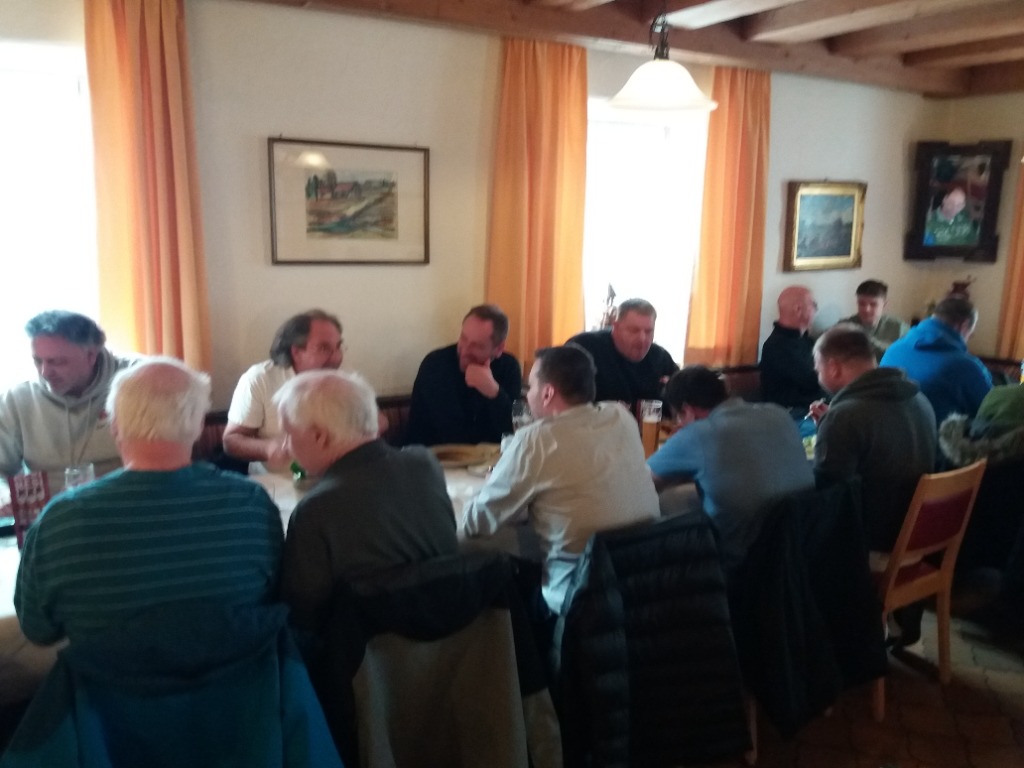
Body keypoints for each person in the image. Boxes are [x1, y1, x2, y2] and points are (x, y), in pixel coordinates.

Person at [14, 358, 283, 645]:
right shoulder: (252, 504)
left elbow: (38, 631)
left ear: (114, 426)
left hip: (111, 674)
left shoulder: (60, 521)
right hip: (240, 671)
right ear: (198, 427)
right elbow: (271, 598)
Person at [464, 344, 659, 615]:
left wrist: (492, 483)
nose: (527, 394)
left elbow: (476, 524)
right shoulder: (621, 416)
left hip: (579, 600)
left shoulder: (535, 441)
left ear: (547, 393)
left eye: (531, 386)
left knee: (496, 583)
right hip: (645, 587)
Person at [275, 370, 458, 633]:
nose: (285, 447)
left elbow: (301, 619)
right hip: (454, 637)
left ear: (319, 436)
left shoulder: (315, 511)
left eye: (288, 435)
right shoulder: (426, 464)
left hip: (367, 653)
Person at [811, 325, 937, 649]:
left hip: (875, 551)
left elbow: (828, 498)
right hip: (919, 542)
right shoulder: (919, 399)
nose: (817, 374)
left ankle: (820, 650)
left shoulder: (846, 416)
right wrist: (830, 427)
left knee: (784, 547)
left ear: (834, 367)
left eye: (818, 367)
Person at [647, 366, 814, 575]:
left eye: (678, 417)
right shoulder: (778, 413)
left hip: (738, 565)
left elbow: (643, 482)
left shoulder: (699, 434)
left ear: (687, 410)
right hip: (801, 554)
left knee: (668, 507)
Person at [0, 310, 133, 492]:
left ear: (91, 356)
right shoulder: (17, 399)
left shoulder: (138, 382)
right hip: (48, 507)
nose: (45, 372)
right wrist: (5, 497)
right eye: (38, 361)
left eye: (57, 362)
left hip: (119, 500)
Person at [224, 309, 344, 470]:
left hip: (333, 477)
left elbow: (370, 428)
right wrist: (267, 448)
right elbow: (231, 441)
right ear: (296, 352)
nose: (336, 357)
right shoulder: (260, 379)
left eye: (338, 347)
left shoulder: (342, 381)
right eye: (324, 348)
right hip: (276, 479)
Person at [406, 304, 522, 446]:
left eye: (477, 345)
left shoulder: (510, 367)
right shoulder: (435, 364)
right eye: (463, 338)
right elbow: (451, 433)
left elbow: (516, 431)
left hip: (489, 458)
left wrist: (494, 393)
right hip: (431, 455)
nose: (465, 351)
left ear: (498, 349)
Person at [880, 295, 992, 425]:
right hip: (934, 436)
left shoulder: (894, 348)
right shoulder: (966, 366)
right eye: (970, 334)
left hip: (888, 430)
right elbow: (991, 411)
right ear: (964, 325)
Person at [567, 298, 678, 411]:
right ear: (615, 327)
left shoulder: (660, 357)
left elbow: (682, 402)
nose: (642, 339)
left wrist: (673, 392)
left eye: (648, 331)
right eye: (634, 330)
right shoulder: (584, 347)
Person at [759, 285, 826, 416]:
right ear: (798, 310)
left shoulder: (805, 340)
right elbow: (815, 381)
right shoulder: (777, 346)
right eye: (813, 305)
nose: (816, 309)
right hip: (791, 414)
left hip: (811, 407)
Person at [838, 279, 909, 360]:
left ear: (884, 305)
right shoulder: (844, 326)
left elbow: (907, 355)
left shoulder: (899, 328)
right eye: (861, 303)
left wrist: (867, 339)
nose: (866, 309)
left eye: (873, 304)